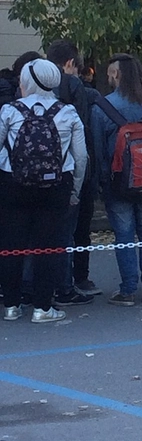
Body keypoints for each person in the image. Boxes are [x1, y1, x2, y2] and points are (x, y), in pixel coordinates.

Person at [0, 58, 89, 323]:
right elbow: (81, 156)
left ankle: (12, 306)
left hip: (13, 184)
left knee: (11, 245)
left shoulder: (9, 111)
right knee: (48, 247)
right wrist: (75, 190)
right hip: (56, 185)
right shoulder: (68, 112)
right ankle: (43, 307)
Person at [92, 54, 142, 306]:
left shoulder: (102, 107)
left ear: (118, 74)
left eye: (111, 72)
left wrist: (104, 181)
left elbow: (97, 150)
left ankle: (127, 290)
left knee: (124, 235)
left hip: (118, 184)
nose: (108, 77)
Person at [46, 39, 98, 305]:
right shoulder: (76, 88)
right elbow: (83, 134)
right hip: (69, 169)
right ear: (70, 63)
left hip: (34, 170)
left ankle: (39, 286)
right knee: (73, 229)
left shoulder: (34, 85)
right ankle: (70, 282)